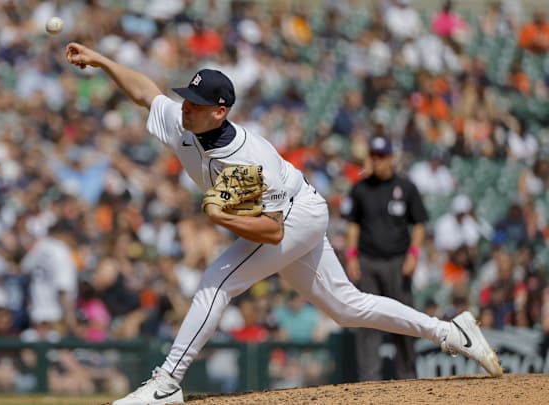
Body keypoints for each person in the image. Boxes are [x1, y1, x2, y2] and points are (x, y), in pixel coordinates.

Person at [64, 42, 503, 405]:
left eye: (196, 104)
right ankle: (450, 331)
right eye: (187, 99)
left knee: (217, 281)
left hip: (296, 214)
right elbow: (146, 92)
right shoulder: (184, 124)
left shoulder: (243, 157)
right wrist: (103, 62)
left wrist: (222, 217)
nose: (186, 108)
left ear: (219, 112)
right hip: (291, 211)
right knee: (347, 307)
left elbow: (272, 231)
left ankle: (166, 384)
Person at [343, 135, 427, 381]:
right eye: (374, 156)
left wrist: (413, 254)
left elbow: (420, 224)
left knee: (404, 318)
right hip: (368, 262)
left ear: (391, 158)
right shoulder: (360, 188)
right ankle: (369, 379)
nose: (377, 161)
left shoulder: (406, 187)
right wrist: (351, 256)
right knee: (368, 320)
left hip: (398, 262)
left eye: (381, 156)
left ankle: (408, 375)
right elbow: (353, 225)